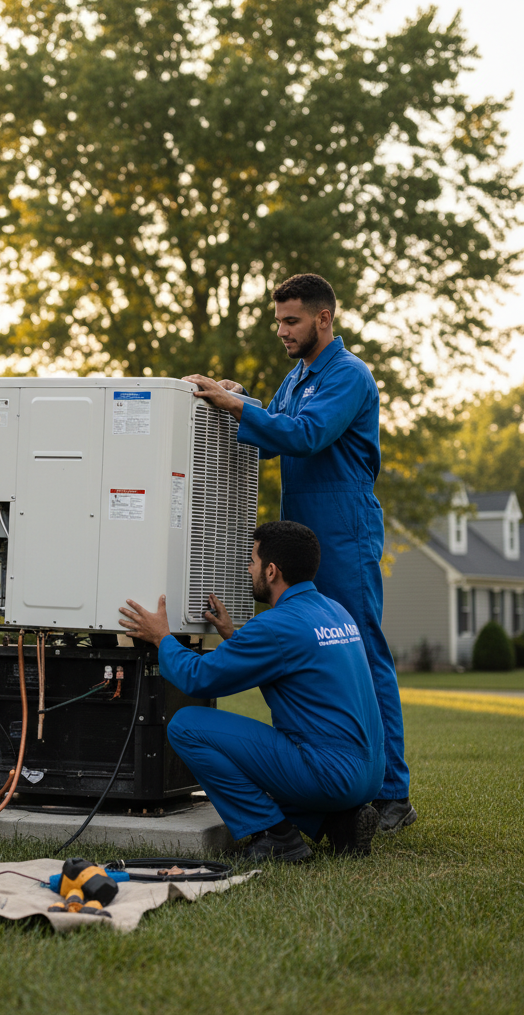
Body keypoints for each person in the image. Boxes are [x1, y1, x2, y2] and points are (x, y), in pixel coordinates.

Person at [182, 273, 415, 834]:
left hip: (344, 528)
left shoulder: (349, 376)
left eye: (291, 320)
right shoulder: (297, 378)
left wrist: (239, 407)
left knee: (361, 649)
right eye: (279, 320)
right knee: (301, 647)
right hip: (300, 532)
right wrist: (232, 399)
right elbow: (272, 430)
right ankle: (321, 771)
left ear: (323, 319)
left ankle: (391, 793)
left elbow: (306, 434)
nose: (281, 330)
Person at [119, 521, 385, 861]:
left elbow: (197, 678)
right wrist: (235, 636)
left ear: (271, 571)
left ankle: (275, 837)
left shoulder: (276, 626)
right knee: (266, 762)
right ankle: (338, 824)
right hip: (369, 775)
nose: (249, 568)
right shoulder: (335, 611)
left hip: (331, 775)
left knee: (187, 726)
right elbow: (291, 659)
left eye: (252, 561)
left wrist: (163, 638)